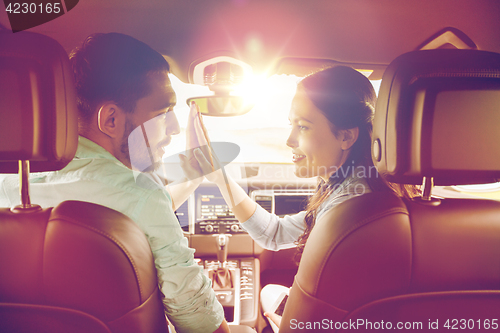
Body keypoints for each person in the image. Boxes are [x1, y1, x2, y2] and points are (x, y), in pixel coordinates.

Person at [0, 33, 229, 333]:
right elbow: (196, 317)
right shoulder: (141, 196)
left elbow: (124, 205)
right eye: (163, 113)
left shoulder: (8, 188)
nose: (173, 128)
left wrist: (193, 172)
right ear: (110, 120)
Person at [198, 65, 418, 331]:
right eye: (291, 124)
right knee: (269, 293)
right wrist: (220, 177)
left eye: (302, 127)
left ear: (346, 136)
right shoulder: (356, 191)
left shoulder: (346, 214)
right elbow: (274, 233)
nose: (289, 140)